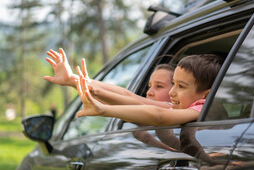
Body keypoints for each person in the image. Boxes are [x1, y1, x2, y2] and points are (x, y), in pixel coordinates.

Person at [75, 54, 223, 126]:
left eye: (181, 86)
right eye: (173, 84)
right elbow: (133, 99)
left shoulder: (201, 108)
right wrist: (87, 86)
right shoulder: (179, 107)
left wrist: (103, 109)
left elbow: (158, 116)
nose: (172, 92)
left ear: (207, 95)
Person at [44, 48, 173, 107]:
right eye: (149, 86)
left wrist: (75, 80)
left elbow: (129, 97)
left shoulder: (171, 109)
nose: (149, 92)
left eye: (159, 86)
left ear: (175, 91)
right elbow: (116, 102)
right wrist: (74, 81)